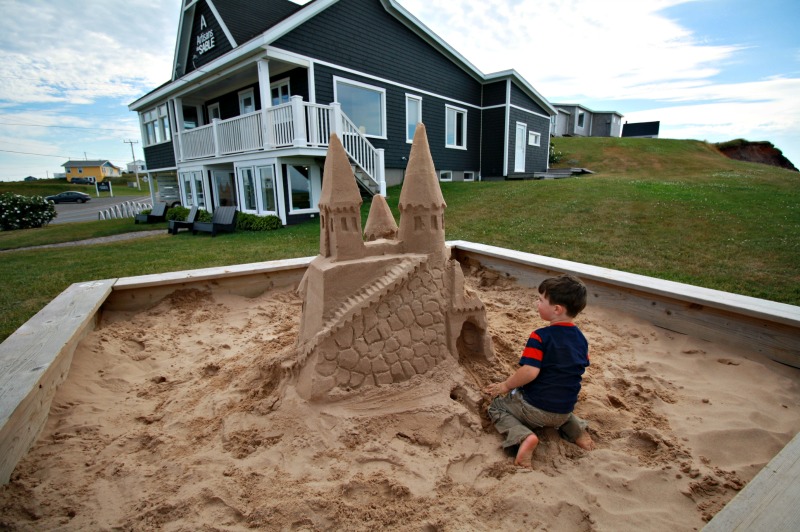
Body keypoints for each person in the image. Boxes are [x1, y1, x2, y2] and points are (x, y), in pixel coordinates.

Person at [484, 273, 595, 467]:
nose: (537, 303)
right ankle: (578, 432)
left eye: (541, 300)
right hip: (564, 408)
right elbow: (580, 366)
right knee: (561, 413)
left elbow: (530, 372)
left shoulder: (540, 337)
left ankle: (524, 437)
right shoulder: (581, 339)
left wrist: (505, 385)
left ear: (557, 309)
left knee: (497, 407)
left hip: (535, 408)